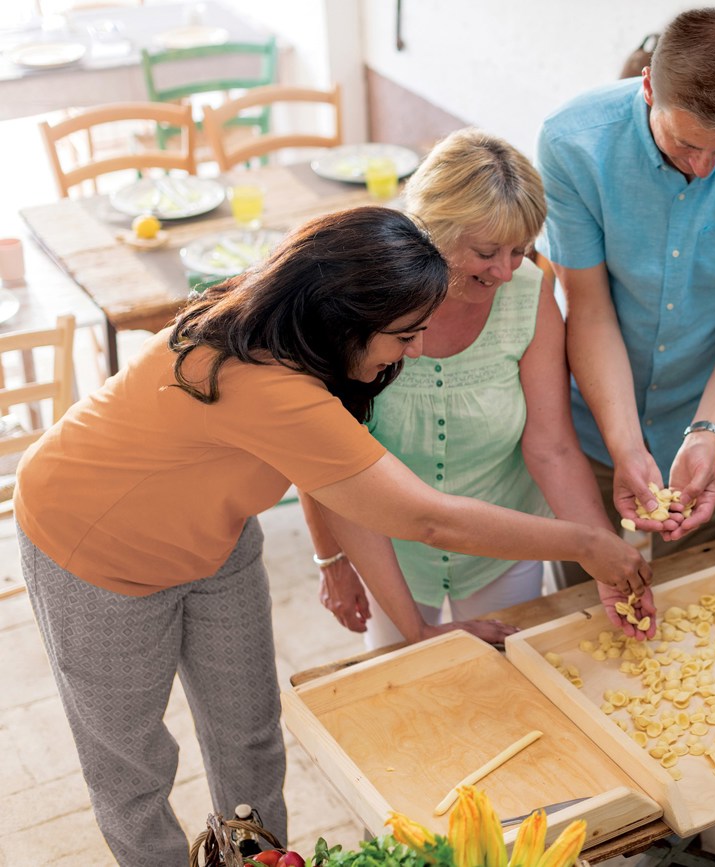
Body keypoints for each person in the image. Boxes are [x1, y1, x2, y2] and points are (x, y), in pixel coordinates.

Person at [15, 207, 649, 867]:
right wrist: (586, 541)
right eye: (404, 334)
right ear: (345, 317)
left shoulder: (307, 343)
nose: (413, 350)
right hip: (93, 546)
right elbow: (427, 517)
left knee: (250, 735)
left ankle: (257, 860)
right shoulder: (264, 381)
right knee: (133, 763)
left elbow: (348, 492)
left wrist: (417, 629)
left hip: (213, 533)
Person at [306, 130, 654, 647]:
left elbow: (553, 447)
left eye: (521, 250)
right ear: (431, 229)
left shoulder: (528, 292)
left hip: (505, 545)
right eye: (487, 252)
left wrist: (604, 563)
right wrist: (332, 559)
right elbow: (317, 453)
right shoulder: (359, 298)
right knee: (403, 679)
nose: (507, 271)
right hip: (385, 550)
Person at [536, 7, 715, 585]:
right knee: (582, 599)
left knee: (699, 597)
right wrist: (624, 445)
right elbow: (588, 311)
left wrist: (705, 435)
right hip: (591, 421)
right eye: (687, 143)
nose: (702, 165)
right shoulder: (572, 144)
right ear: (648, 88)